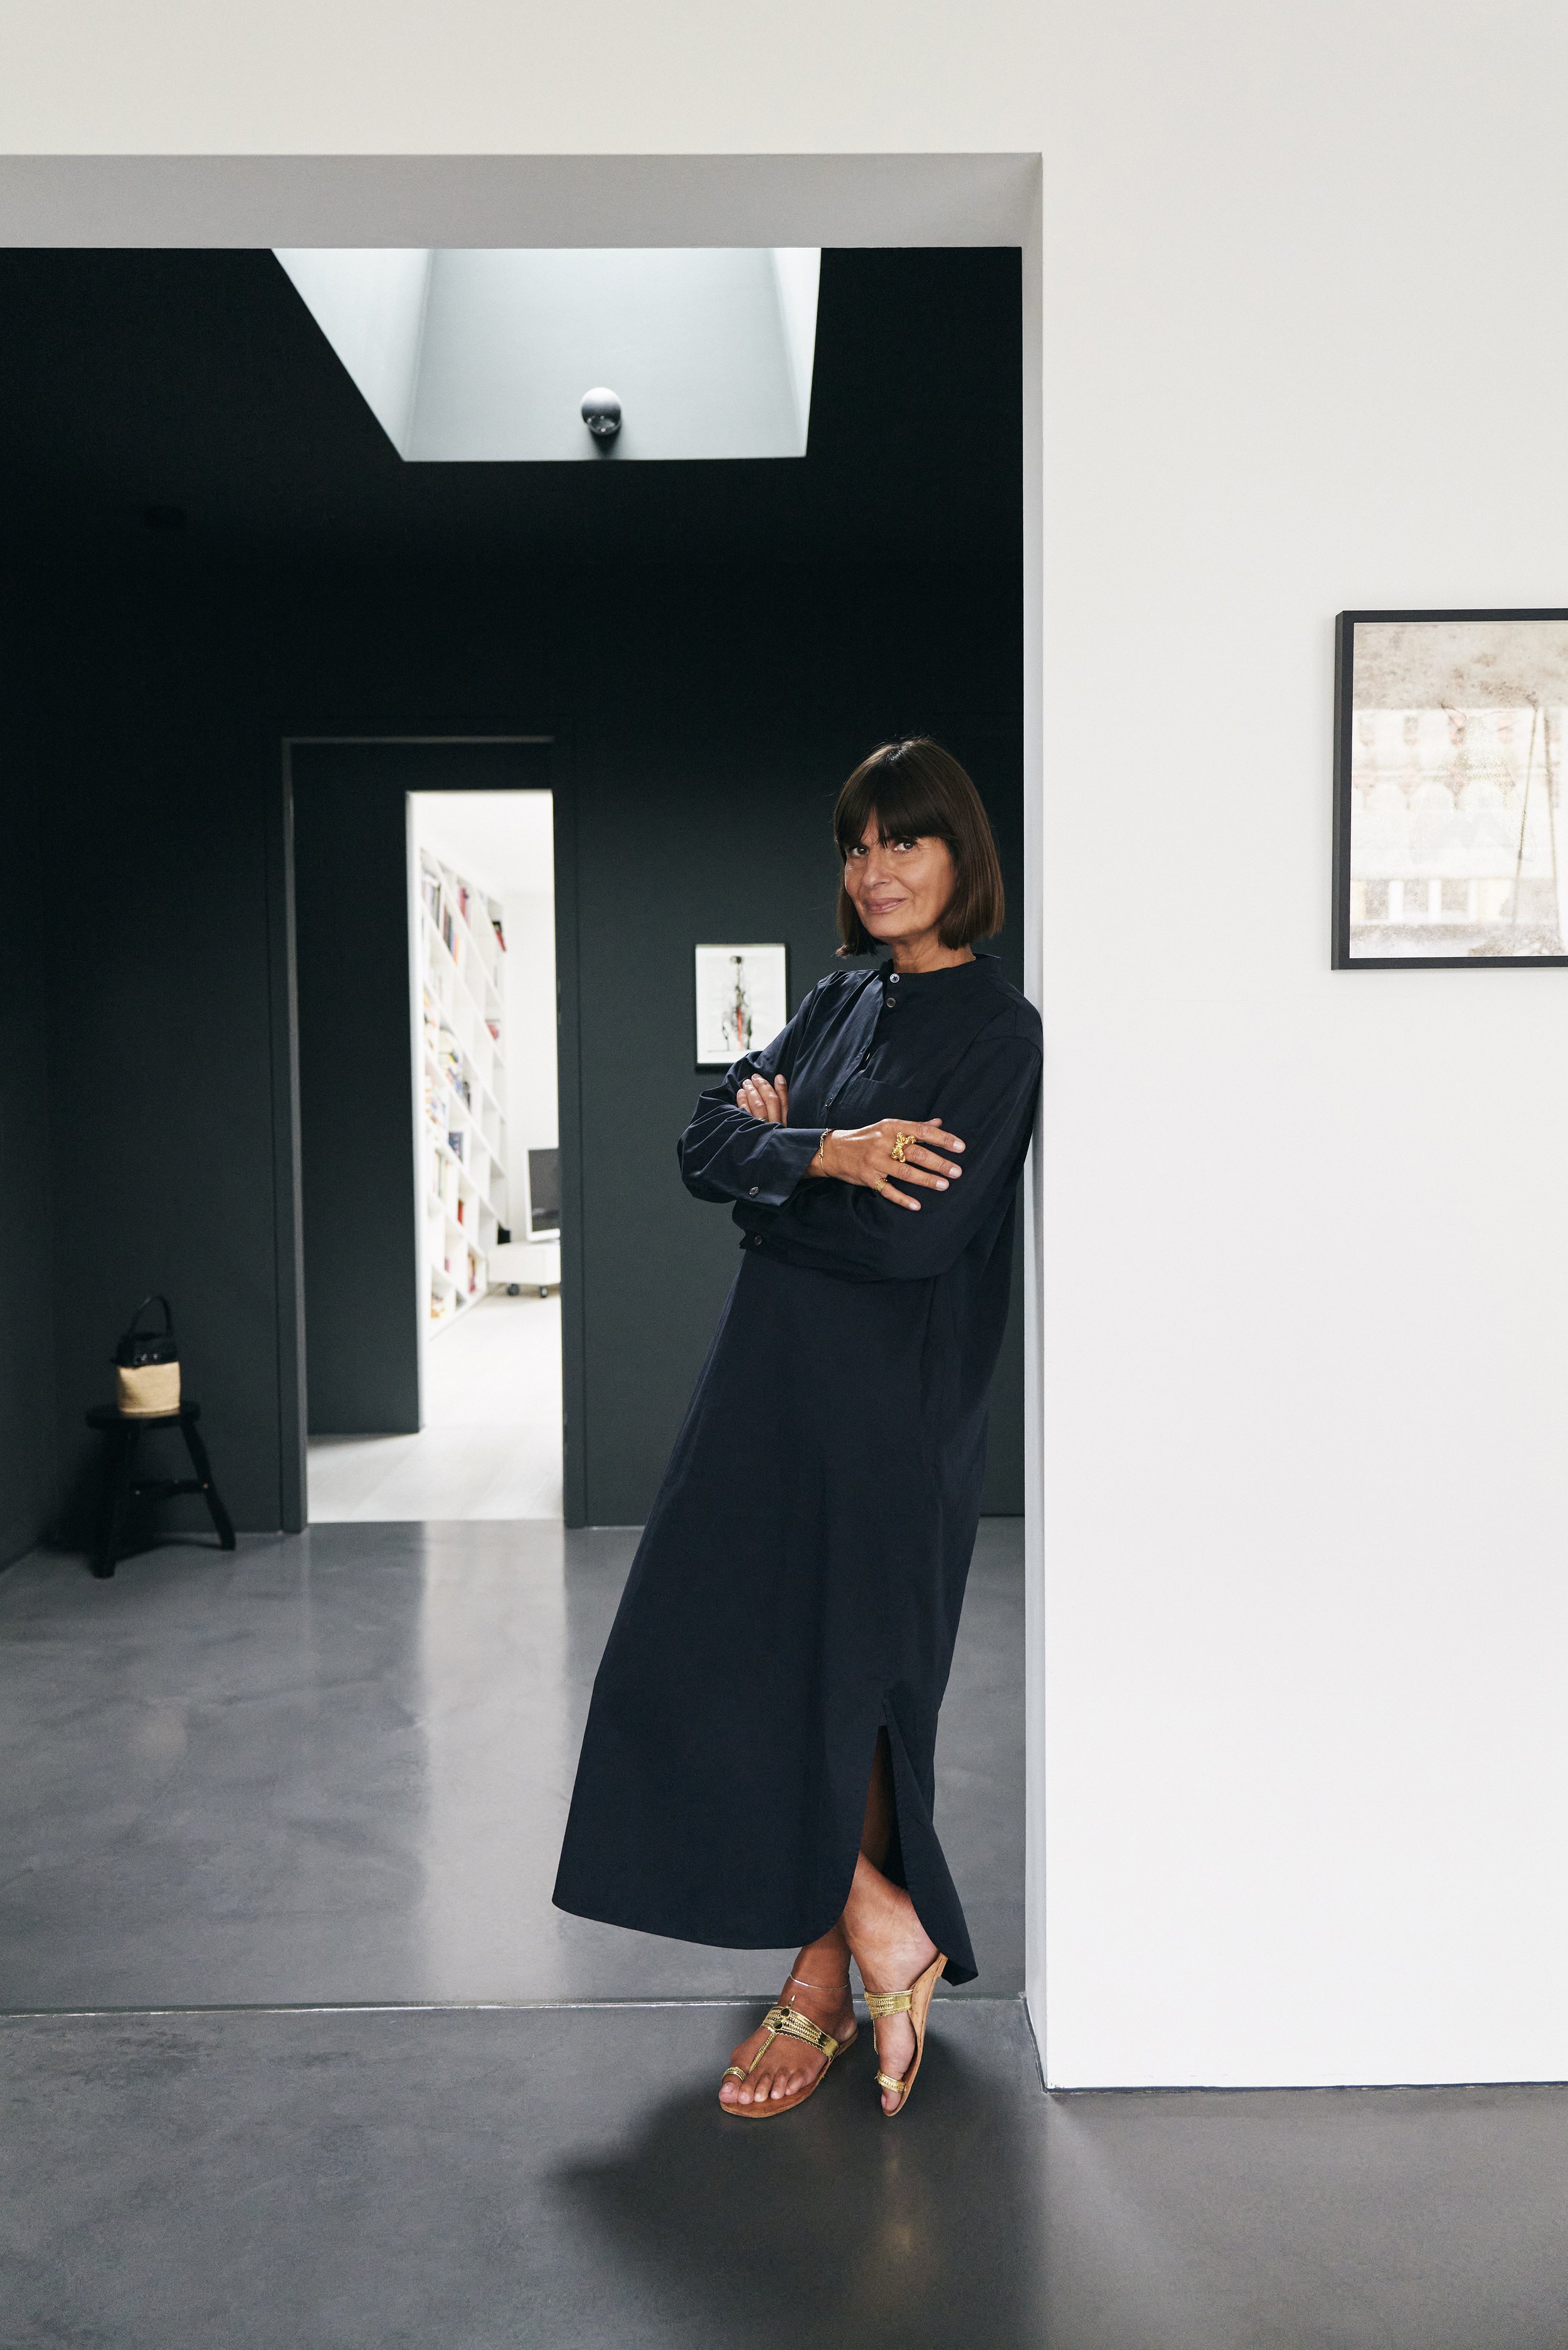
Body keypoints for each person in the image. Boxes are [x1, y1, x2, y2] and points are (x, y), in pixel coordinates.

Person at [554, 738, 1042, 2119]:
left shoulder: (999, 1032)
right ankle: (885, 1921)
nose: (875, 869)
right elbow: (700, 1143)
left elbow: (912, 1243)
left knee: (854, 1690)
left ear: (960, 856)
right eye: (857, 845)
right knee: (689, 1652)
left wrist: (771, 1187)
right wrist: (826, 1153)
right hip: (760, 1381)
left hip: (891, 1406)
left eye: (905, 841)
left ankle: (824, 1977)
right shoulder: (838, 996)